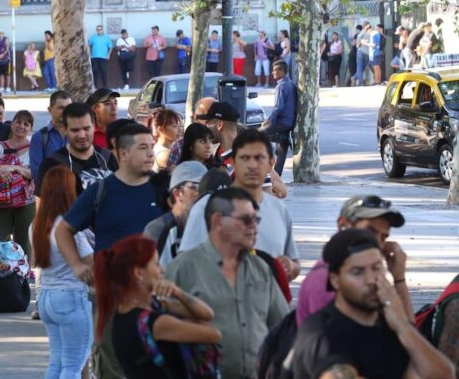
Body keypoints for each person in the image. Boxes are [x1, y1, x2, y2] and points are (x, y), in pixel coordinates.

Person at [54, 124, 163, 377]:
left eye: (152, 147)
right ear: (123, 154)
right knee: (113, 364)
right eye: (143, 148)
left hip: (158, 295)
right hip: (112, 298)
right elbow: (63, 230)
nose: (150, 154)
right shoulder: (102, 190)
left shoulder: (162, 188)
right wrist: (78, 266)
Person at [293, 229, 455, 379]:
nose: (371, 280)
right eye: (358, 272)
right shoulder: (321, 329)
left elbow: (443, 375)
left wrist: (403, 325)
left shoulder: (390, 323)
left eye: (376, 268)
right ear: (335, 280)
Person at [166, 189, 290, 379]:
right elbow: (159, 332)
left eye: (256, 220)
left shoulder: (260, 268)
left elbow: (283, 327)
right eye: (245, 220)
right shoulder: (184, 268)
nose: (254, 228)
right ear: (217, 222)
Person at [178, 129, 301, 279]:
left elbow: (294, 264)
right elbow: (185, 264)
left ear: (270, 164)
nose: (252, 165)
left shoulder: (279, 210)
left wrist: (290, 267)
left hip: (269, 301)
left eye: (259, 158)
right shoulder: (206, 207)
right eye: (245, 158)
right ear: (233, 162)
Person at [95, 235, 221, 379]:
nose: (162, 270)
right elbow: (214, 333)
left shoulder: (122, 314)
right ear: (138, 273)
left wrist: (176, 293)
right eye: (156, 264)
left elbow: (207, 314)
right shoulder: (157, 323)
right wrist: (180, 299)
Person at [296, 194, 413, 326]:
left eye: (383, 237)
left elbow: (408, 333)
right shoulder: (325, 279)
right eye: (370, 231)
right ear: (343, 224)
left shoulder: (370, 273)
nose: (377, 242)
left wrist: (399, 278)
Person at [30, 166, 94, 379]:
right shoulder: (68, 228)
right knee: (73, 364)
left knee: (57, 362)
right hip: (72, 296)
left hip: (47, 296)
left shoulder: (36, 225)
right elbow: (89, 261)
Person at [35, 102, 116, 198]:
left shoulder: (108, 158)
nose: (82, 135)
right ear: (65, 129)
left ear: (93, 126)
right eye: (75, 130)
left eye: (86, 129)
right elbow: (41, 207)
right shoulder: (51, 165)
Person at [0, 110, 34, 257]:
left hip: (26, 201)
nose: (21, 126)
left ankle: (24, 274)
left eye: (26, 124)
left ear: (30, 128)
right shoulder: (0, 146)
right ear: (12, 124)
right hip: (1, 201)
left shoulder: (34, 148)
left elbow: (35, 173)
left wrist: (15, 168)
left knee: (26, 241)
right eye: (18, 122)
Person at [142, 160, 207, 248]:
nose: (201, 193)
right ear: (177, 193)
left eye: (206, 187)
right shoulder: (157, 229)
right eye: (195, 187)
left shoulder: (210, 226)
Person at [261, 60, 297, 175]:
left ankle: (265, 166)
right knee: (283, 146)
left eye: (275, 70)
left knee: (258, 134)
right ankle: (277, 173)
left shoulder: (281, 86)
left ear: (282, 71)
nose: (273, 73)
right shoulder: (291, 84)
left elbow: (278, 107)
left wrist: (269, 120)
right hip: (290, 122)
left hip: (282, 122)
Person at [30, 90, 71, 179]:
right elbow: (37, 173)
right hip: (49, 190)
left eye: (68, 107)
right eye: (61, 108)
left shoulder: (78, 135)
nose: (65, 111)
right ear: (50, 109)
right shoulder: (39, 137)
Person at [150, 107, 182, 173]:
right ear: (161, 130)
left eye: (180, 126)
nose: (180, 130)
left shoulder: (171, 148)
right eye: (175, 126)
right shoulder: (164, 154)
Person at [88, 25, 113, 89]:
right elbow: (89, 45)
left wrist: (108, 55)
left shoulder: (106, 38)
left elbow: (110, 47)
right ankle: (94, 86)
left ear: (102, 30)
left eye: (100, 29)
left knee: (103, 71)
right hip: (94, 57)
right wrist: (90, 53)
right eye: (98, 30)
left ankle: (105, 86)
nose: (99, 31)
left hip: (103, 57)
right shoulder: (93, 37)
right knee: (94, 71)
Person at [356, 22, 372, 86]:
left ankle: (359, 81)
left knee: (360, 68)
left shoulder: (363, 31)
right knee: (362, 68)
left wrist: (359, 44)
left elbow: (358, 43)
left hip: (360, 52)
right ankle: (359, 81)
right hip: (367, 53)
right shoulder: (371, 32)